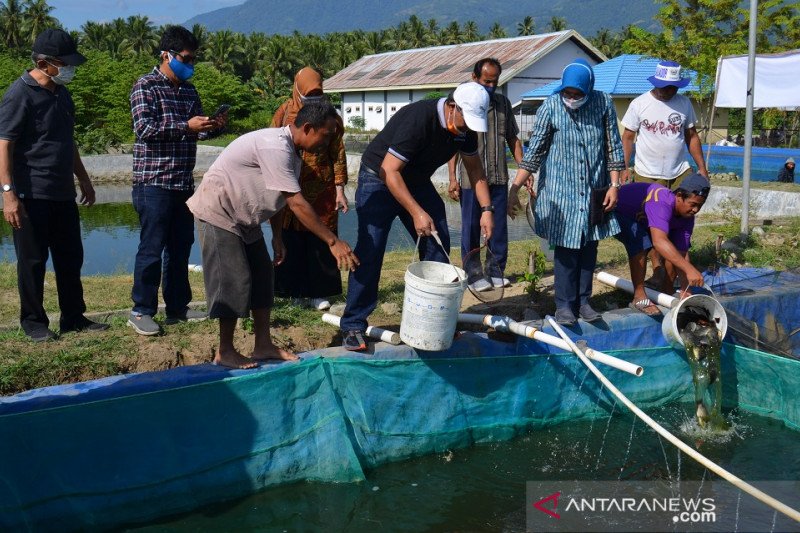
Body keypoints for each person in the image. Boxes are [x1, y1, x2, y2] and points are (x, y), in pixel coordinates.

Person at [186, 102, 359, 369]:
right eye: (326, 135)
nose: (328, 142)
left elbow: (277, 195)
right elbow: (296, 202)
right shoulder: (276, 147)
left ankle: (263, 345)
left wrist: (277, 236)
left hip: (246, 218)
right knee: (234, 279)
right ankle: (225, 350)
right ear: (308, 128)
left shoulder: (294, 153)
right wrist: (333, 241)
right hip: (219, 211)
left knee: (263, 278)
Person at [339, 82, 494, 351]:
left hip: (417, 181)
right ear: (452, 106)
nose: (468, 127)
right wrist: (416, 212)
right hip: (379, 178)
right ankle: (353, 324)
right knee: (371, 248)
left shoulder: (464, 130)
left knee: (438, 243)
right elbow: (390, 171)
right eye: (466, 120)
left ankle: (436, 319)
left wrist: (487, 210)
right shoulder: (419, 119)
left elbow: (476, 172)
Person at [0, 29, 109, 342]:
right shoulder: (19, 94)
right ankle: (34, 323)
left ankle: (73, 317)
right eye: (65, 63)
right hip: (30, 193)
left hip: (62, 192)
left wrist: (84, 178)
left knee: (70, 257)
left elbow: (66, 140)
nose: (70, 69)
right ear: (45, 63)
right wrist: (9, 196)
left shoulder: (62, 93)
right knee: (33, 262)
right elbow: (4, 144)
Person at [508, 58, 624, 326]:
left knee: (588, 247)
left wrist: (615, 186)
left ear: (588, 89)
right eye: (567, 93)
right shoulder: (550, 106)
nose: (571, 98)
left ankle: (583, 302)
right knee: (566, 250)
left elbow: (613, 149)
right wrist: (515, 187)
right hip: (561, 191)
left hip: (594, 189)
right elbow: (535, 151)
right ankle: (563, 306)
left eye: (577, 94)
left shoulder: (603, 103)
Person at [128, 25, 225, 336]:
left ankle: (177, 308)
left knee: (181, 247)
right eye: (186, 58)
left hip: (183, 183)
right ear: (166, 55)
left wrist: (214, 126)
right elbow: (145, 129)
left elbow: (198, 129)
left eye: (193, 59)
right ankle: (142, 310)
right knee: (151, 248)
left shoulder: (189, 91)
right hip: (153, 183)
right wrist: (187, 125)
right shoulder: (145, 87)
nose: (190, 64)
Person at [620, 60, 709, 290]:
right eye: (663, 86)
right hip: (647, 173)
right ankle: (658, 270)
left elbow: (691, 136)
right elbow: (628, 137)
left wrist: (701, 167)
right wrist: (623, 166)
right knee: (652, 225)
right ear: (656, 83)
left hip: (678, 172)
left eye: (672, 87)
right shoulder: (639, 104)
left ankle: (669, 278)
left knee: (680, 222)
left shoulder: (684, 104)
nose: (667, 91)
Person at [271, 67, 348, 311]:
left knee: (321, 235)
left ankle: (320, 292)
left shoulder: (330, 116)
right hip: (290, 184)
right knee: (290, 238)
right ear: (297, 90)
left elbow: (338, 153)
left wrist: (339, 189)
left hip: (322, 186)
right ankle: (293, 292)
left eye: (317, 93)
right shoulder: (284, 112)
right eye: (308, 94)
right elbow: (272, 143)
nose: (313, 98)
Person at [448, 58, 524, 291]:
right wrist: (452, 178)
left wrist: (524, 168)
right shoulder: (462, 102)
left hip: (499, 177)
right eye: (486, 81)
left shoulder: (503, 104)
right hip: (472, 181)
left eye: (495, 81)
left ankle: (496, 270)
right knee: (471, 227)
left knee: (498, 227)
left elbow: (513, 138)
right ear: (474, 78)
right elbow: (453, 144)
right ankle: (472, 274)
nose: (491, 86)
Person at [615, 173, 711, 315]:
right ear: (679, 196)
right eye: (693, 204)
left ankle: (667, 291)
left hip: (639, 218)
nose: (696, 210)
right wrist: (690, 270)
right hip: (616, 210)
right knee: (642, 243)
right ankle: (639, 297)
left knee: (673, 253)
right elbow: (659, 242)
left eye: (700, 206)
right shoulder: (662, 200)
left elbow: (681, 253)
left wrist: (686, 289)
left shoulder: (687, 217)